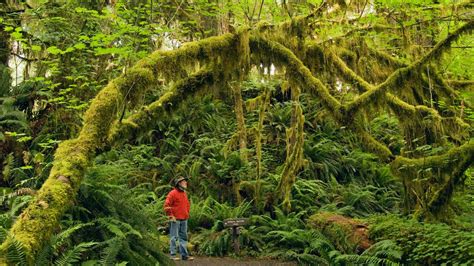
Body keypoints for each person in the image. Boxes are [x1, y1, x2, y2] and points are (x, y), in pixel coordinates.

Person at [164, 176, 194, 261]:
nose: (186, 183)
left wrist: (187, 213)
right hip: (175, 219)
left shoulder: (184, 193)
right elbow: (166, 205)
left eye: (185, 181)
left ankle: (184, 255)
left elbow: (187, 205)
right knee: (174, 237)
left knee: (184, 237)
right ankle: (173, 255)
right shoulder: (172, 193)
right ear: (179, 183)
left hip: (184, 219)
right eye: (184, 182)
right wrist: (171, 216)